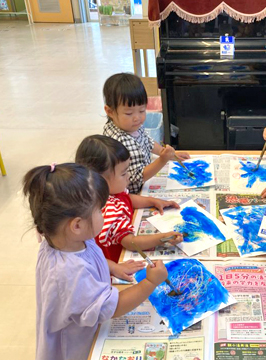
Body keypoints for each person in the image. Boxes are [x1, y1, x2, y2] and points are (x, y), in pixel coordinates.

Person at [25, 163, 169, 360]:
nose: (105, 215)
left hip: (83, 324)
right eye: (101, 210)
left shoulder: (67, 240)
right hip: (76, 348)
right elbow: (112, 308)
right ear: (77, 225)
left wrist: (113, 267)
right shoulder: (70, 272)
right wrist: (150, 282)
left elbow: (91, 255)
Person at [76, 135, 184, 264]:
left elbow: (127, 198)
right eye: (123, 173)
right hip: (118, 262)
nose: (129, 176)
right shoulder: (109, 210)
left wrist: (152, 201)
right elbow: (131, 242)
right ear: (100, 180)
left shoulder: (111, 191)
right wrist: (161, 238)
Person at [102, 73, 190, 194]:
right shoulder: (119, 142)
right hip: (131, 193)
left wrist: (168, 155)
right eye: (129, 113)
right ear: (110, 111)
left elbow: (147, 141)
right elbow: (137, 179)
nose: (137, 118)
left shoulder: (130, 126)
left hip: (146, 178)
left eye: (142, 110)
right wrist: (162, 160)